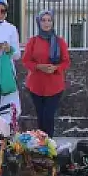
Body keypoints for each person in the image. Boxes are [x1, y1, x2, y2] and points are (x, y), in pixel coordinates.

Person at [22, 9, 71, 137]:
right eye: (43, 20)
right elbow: (26, 61)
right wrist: (39, 67)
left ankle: (48, 145)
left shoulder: (60, 42)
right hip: (36, 86)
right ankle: (41, 146)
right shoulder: (33, 41)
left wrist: (56, 68)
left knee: (48, 117)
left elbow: (66, 62)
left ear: (53, 22)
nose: (46, 23)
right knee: (41, 118)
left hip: (54, 86)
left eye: (49, 20)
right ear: (39, 22)